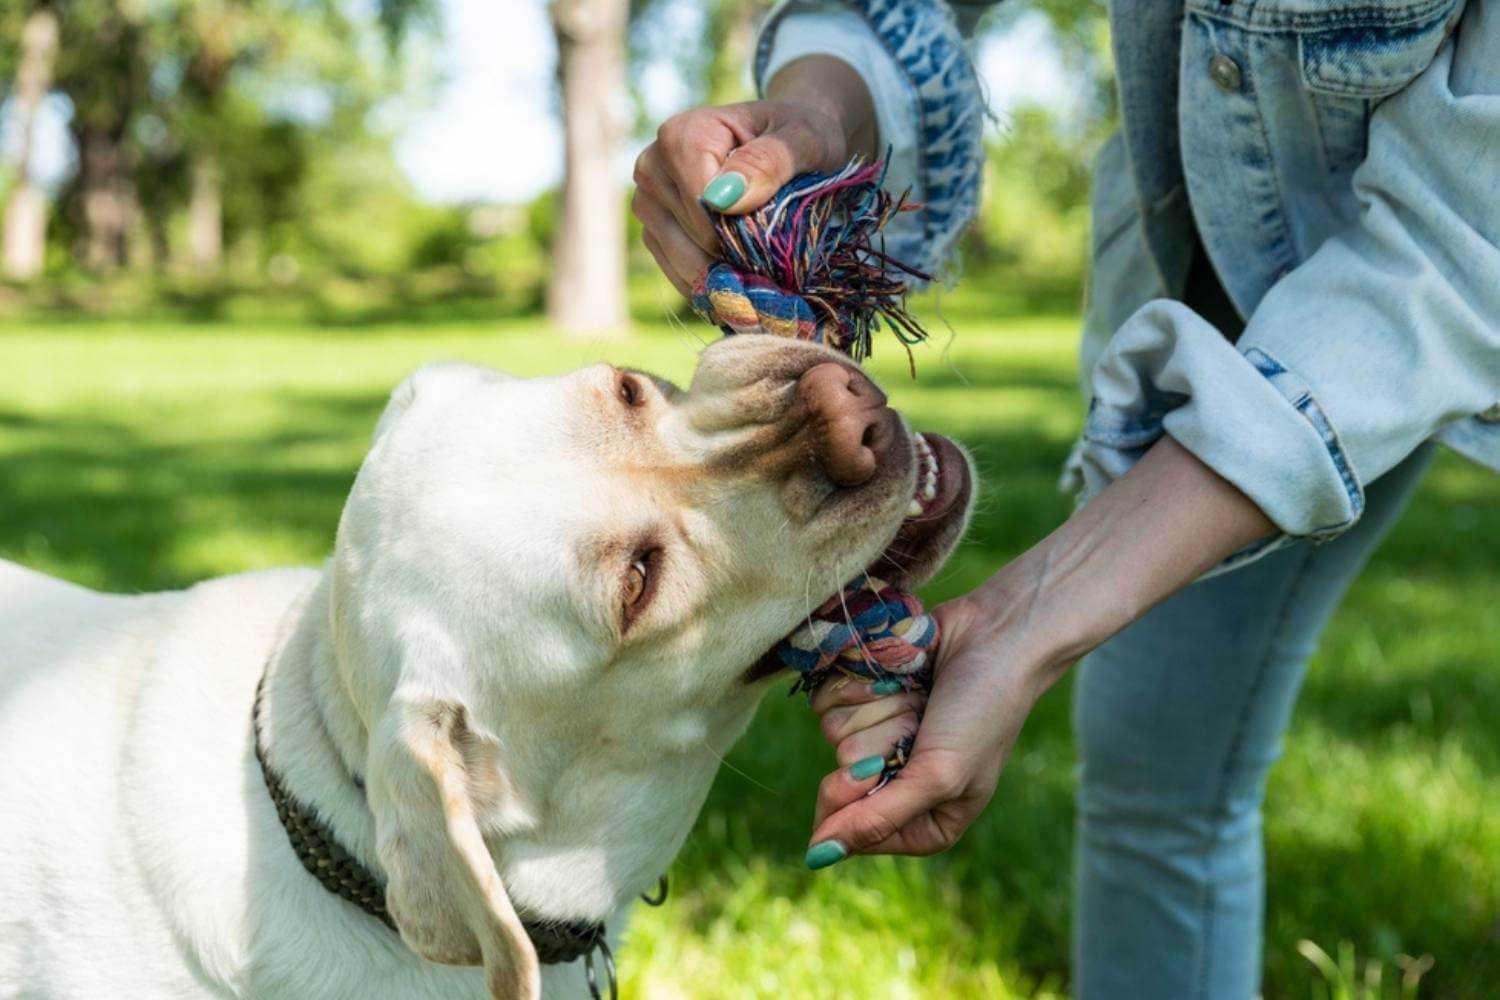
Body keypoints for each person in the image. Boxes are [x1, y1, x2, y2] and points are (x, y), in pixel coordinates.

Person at [630, 0, 1500, 995]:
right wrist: (820, 106)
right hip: (1187, 252)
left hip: (1413, 282)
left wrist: (1033, 612)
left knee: (1174, 781)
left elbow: (1475, 233)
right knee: (1153, 766)